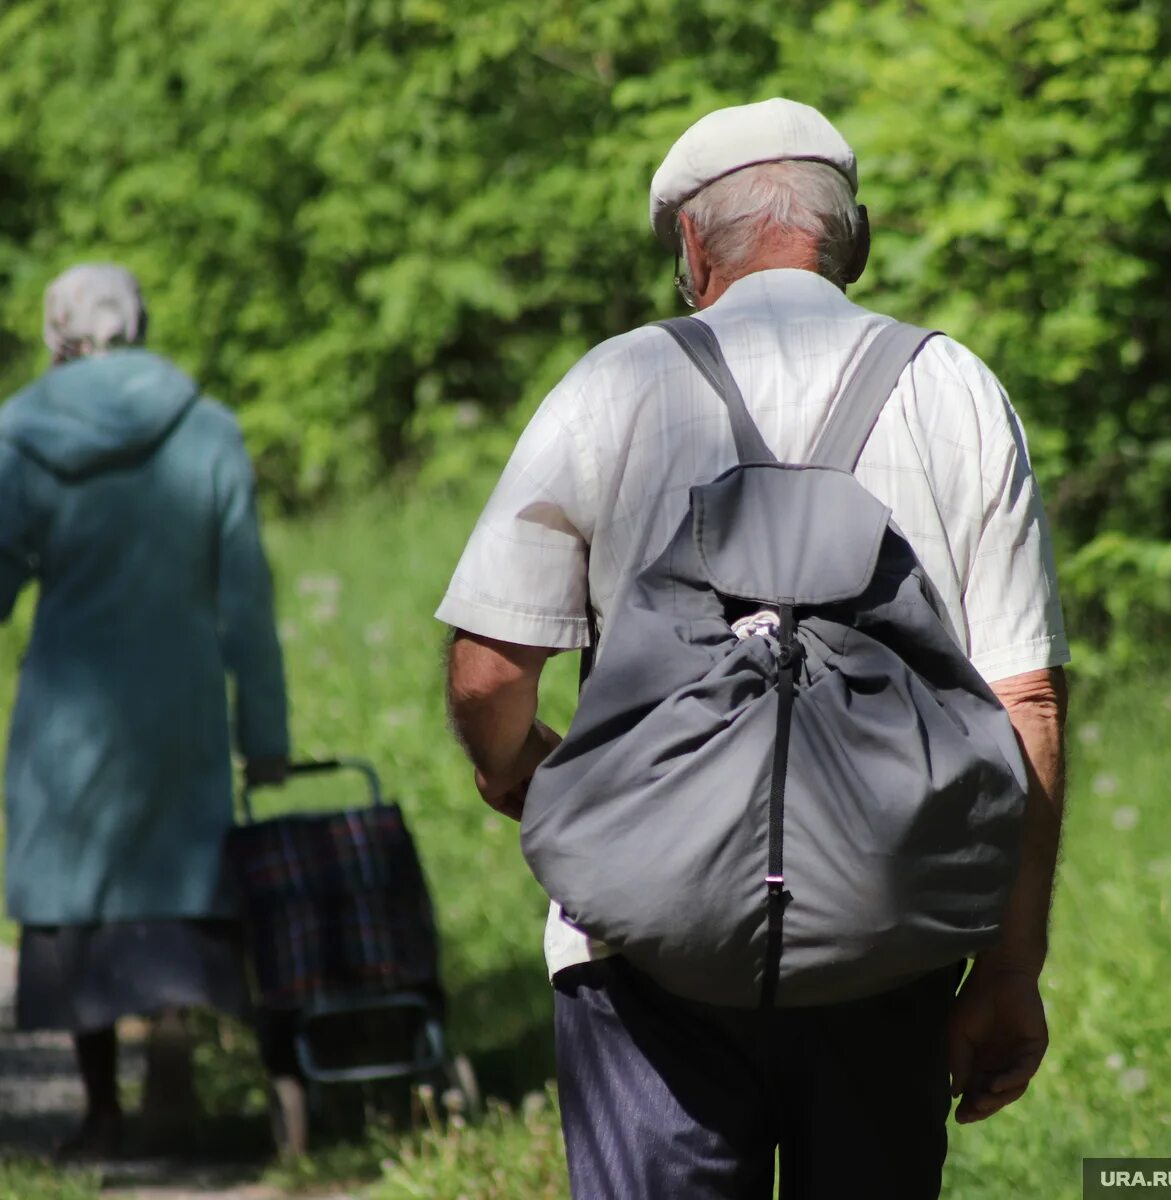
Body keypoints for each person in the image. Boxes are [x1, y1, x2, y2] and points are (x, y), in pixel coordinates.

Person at [439, 98, 1069, 1198]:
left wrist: (547, 789)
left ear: (691, 246)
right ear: (851, 237)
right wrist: (1011, 966)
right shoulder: (955, 389)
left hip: (644, 952)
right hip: (889, 939)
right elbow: (1031, 707)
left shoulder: (614, 385)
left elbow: (489, 675)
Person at [0, 264, 289, 1157]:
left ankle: (101, 1113)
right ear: (140, 320)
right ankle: (172, 1055)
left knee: (74, 893)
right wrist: (266, 734)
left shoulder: (21, 435)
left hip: (68, 717)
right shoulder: (206, 427)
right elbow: (246, 599)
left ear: (57, 330)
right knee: (179, 879)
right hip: (181, 706)